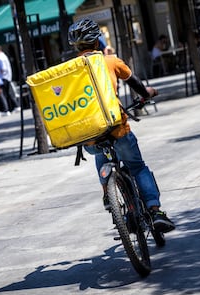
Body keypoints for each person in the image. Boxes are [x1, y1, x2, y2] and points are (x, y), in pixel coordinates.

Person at [68, 19, 175, 233]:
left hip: (90, 135)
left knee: (100, 153)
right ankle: (155, 212)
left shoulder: (69, 69)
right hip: (117, 128)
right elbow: (135, 84)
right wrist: (148, 94)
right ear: (97, 41)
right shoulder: (111, 61)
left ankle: (108, 194)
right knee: (137, 167)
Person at [0, 44, 20, 112]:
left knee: (4, 93)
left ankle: (10, 108)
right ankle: (14, 107)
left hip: (4, 77)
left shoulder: (0, 57)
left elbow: (3, 68)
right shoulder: (3, 56)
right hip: (7, 77)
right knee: (7, 92)